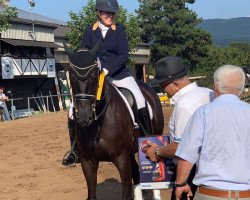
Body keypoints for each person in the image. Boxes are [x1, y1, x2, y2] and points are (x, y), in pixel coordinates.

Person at [63, 0, 152, 165]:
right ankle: (75, 150)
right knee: (71, 110)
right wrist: (91, 68)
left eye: (112, 13)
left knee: (139, 99)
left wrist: (107, 69)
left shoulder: (119, 30)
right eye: (106, 13)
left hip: (119, 74)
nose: (109, 16)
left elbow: (123, 55)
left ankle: (149, 137)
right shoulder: (90, 30)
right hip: (96, 78)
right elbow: (85, 53)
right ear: (98, 13)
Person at [175, 65, 250, 200]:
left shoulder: (204, 112)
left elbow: (187, 153)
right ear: (241, 88)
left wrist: (181, 183)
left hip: (211, 194)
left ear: (216, 86)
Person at [145, 56, 214, 199]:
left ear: (176, 84)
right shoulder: (208, 92)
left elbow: (181, 148)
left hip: (191, 172)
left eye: (163, 86)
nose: (163, 91)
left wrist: (157, 150)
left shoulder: (184, 105)